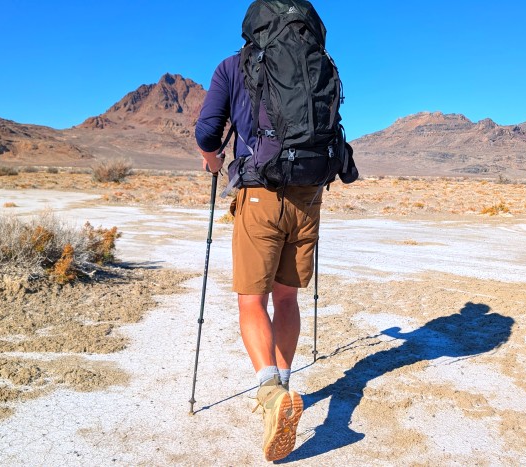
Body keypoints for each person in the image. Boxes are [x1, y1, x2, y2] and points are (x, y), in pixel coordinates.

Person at [194, 8, 327, 462]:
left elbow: (208, 129)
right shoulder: (315, 61)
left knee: (252, 300)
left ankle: (271, 395)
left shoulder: (233, 66)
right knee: (286, 298)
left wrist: (212, 159)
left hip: (258, 195)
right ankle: (285, 388)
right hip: (309, 196)